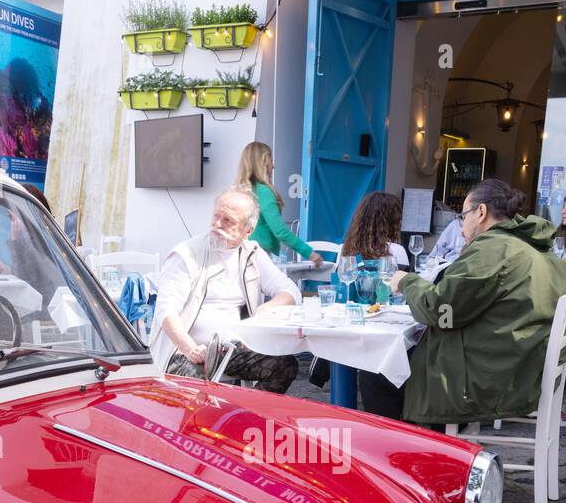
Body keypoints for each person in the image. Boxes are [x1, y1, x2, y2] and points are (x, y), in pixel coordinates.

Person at [389, 179, 566, 428]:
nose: (462, 224)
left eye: (464, 216)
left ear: (481, 212)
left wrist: (406, 281)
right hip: (523, 372)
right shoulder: (539, 250)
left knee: (381, 371)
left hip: (485, 380)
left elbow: (440, 310)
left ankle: (402, 455)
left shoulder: (494, 249)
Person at [149, 186, 301, 392]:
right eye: (216, 216)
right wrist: (190, 348)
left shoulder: (252, 254)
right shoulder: (186, 254)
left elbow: (290, 291)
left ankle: (247, 416)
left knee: (285, 366)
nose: (217, 224)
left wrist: (267, 308)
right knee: (196, 391)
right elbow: (166, 311)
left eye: (228, 220)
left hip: (231, 349)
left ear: (248, 231)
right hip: (184, 350)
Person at [337, 192, 411, 419]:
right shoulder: (395, 251)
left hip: (351, 319)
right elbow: (404, 289)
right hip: (383, 319)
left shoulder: (344, 249)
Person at [236, 142, 324, 266]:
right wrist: (309, 253)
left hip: (239, 255)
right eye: (270, 161)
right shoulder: (263, 192)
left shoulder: (239, 192)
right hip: (257, 256)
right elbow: (280, 231)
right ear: (262, 164)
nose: (273, 166)